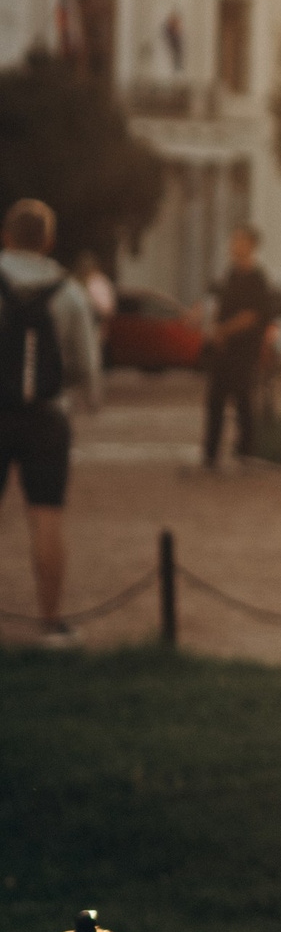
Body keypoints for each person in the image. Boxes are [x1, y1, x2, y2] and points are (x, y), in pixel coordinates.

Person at [1, 198, 105, 647]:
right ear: (48, 240)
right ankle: (51, 622)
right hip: (46, 416)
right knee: (47, 515)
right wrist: (90, 400)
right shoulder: (68, 292)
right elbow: (85, 366)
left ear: (6, 235)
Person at [202, 223, 276, 468]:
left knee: (243, 401)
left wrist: (222, 330)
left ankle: (246, 453)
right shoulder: (231, 274)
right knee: (215, 401)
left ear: (251, 245)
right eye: (233, 240)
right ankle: (210, 454)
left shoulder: (257, 278)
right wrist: (212, 327)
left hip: (244, 352)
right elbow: (220, 307)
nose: (234, 246)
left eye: (239, 241)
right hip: (223, 351)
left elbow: (251, 317)